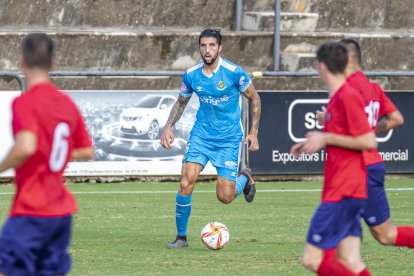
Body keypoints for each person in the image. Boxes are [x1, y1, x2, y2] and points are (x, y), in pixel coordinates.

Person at [0, 33, 94, 275]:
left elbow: (27, 146)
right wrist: (52, 149)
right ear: (52, 62)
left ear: (21, 61)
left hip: (32, 209)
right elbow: (86, 151)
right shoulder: (65, 103)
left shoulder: (25, 102)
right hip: (61, 213)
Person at [160, 28, 261, 248]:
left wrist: (253, 132)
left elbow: (255, 99)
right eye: (203, 45)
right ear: (199, 47)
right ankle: (181, 238)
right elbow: (181, 102)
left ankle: (245, 178)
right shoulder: (191, 75)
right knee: (186, 182)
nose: (207, 50)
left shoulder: (234, 72)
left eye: (212, 45)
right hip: (201, 136)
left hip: (228, 139)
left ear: (220, 47)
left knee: (224, 197)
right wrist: (168, 126)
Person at [317, 39, 413, 252]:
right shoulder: (373, 87)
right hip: (366, 166)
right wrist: (375, 127)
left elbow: (354, 125)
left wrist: (325, 127)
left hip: (359, 167)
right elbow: (395, 118)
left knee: (383, 235)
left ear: (347, 59)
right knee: (362, 241)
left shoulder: (348, 89)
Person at [291, 41, 377, 275]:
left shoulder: (347, 96)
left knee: (311, 259)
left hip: (343, 190)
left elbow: (368, 141)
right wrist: (316, 140)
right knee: (350, 260)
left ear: (322, 66)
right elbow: (340, 136)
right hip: (350, 189)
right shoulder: (338, 98)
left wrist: (325, 139)